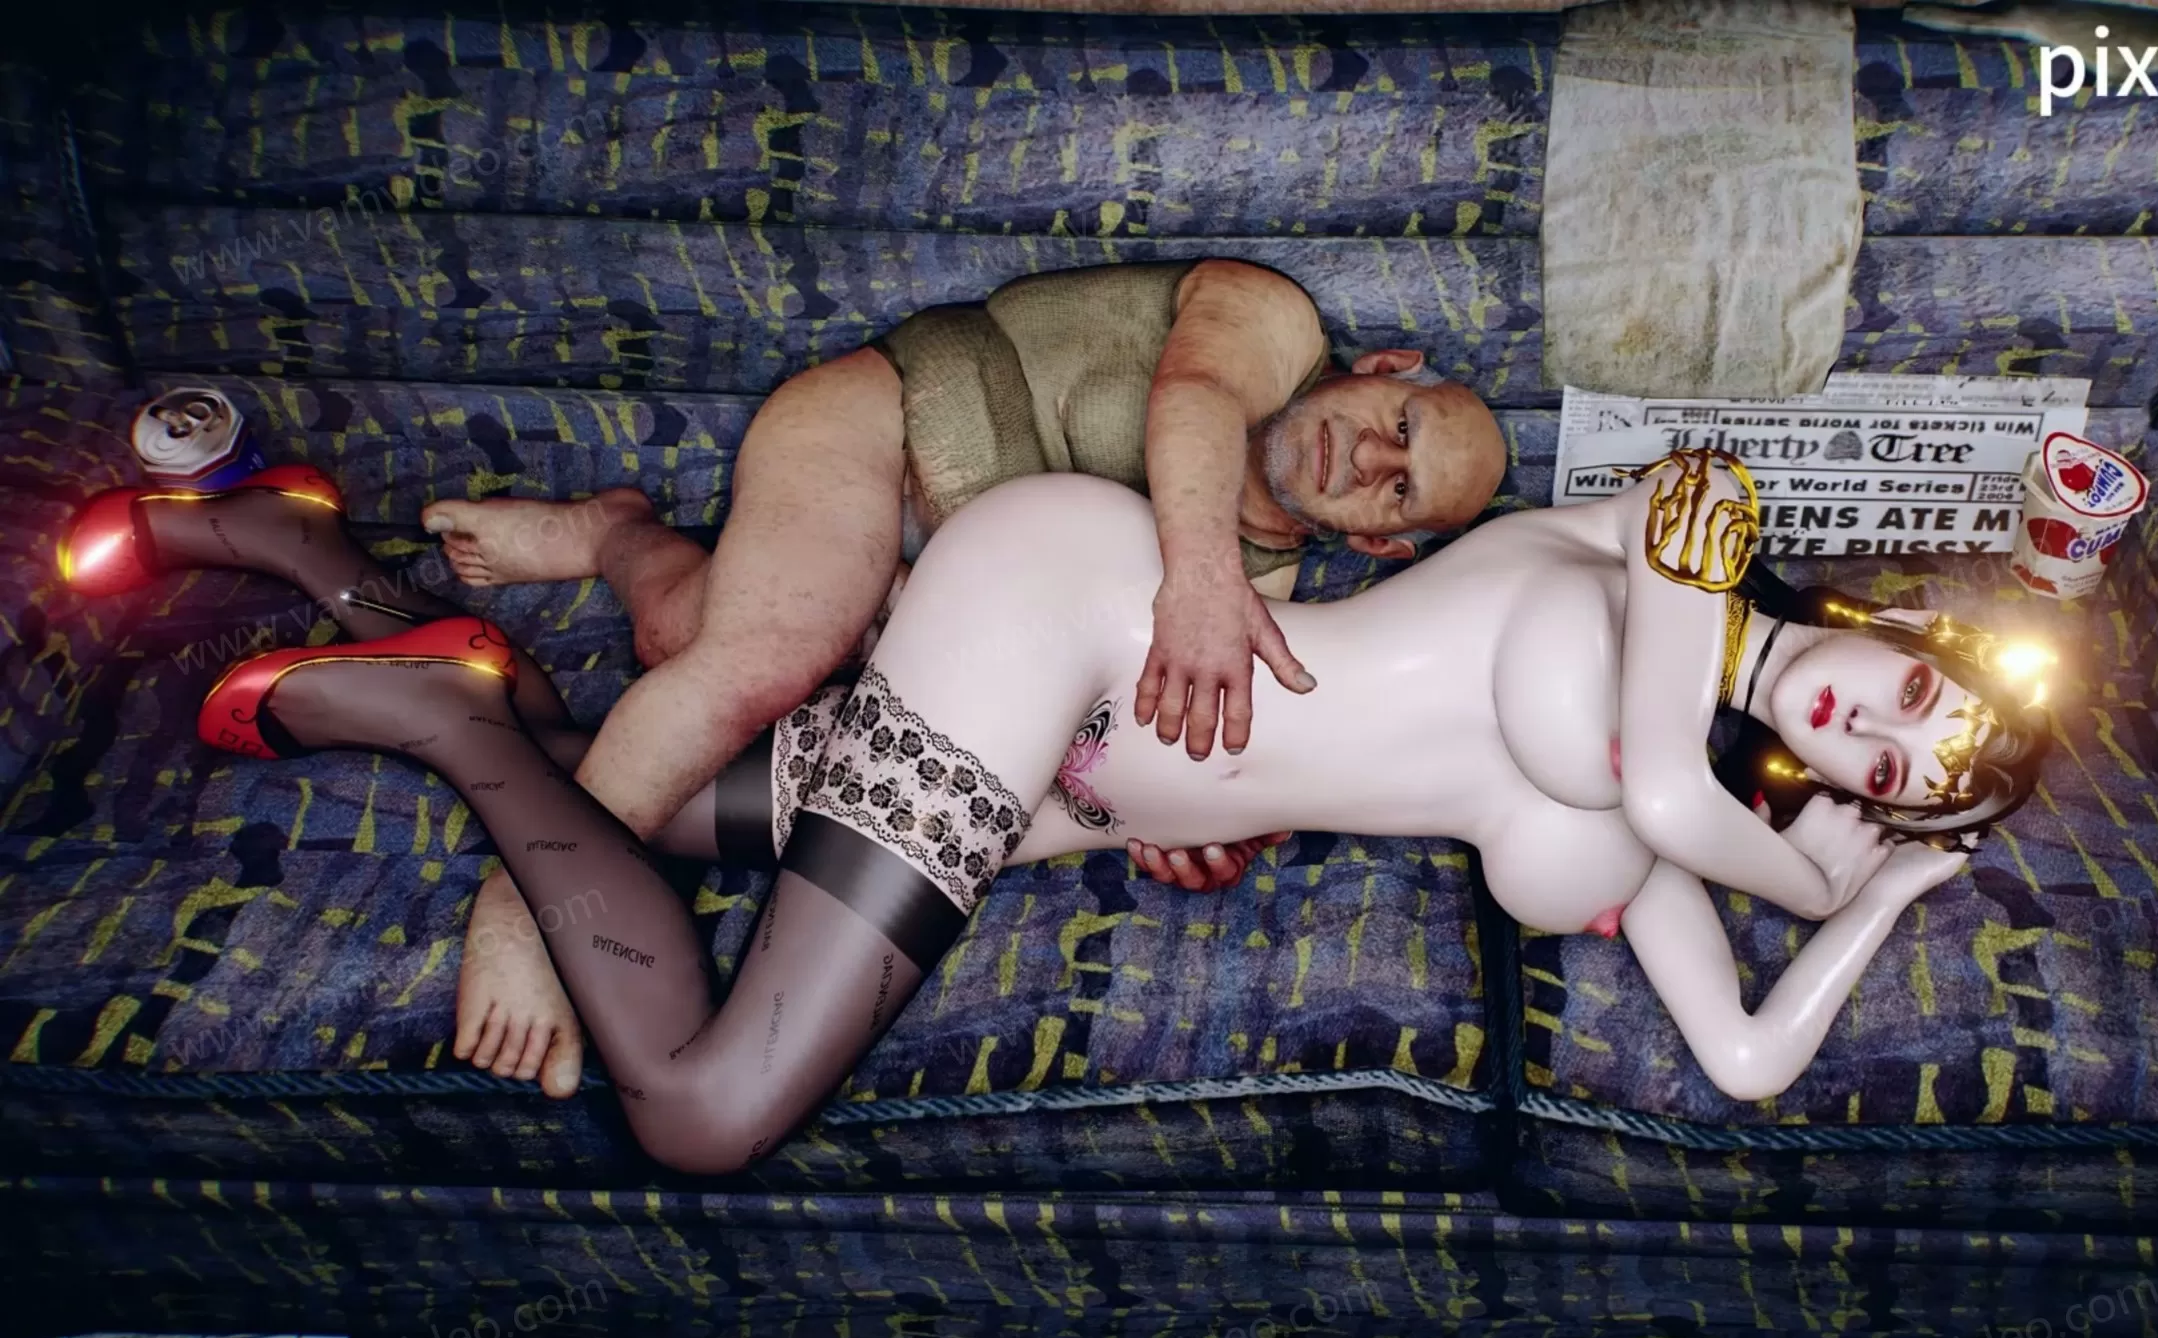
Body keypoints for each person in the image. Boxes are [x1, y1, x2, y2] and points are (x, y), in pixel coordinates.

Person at [189, 447, 2054, 1174]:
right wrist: (1823, 869)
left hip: (1055, 779)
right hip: (1065, 613)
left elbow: (1743, 1062)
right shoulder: (1680, 533)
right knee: (704, 1107)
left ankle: (344, 579)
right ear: (1898, 625)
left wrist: (1886, 899)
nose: (1867, 734)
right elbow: (1651, 770)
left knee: (652, 818)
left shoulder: (1673, 816)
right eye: (1910, 694)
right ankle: (447, 719)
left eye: (1891, 772)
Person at [92, 261, 1512, 1094]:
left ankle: (619, 537)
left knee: (699, 653)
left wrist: (1175, 823)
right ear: (1382, 364)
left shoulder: (1268, 610)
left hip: (921, 602)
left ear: (1381, 548)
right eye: (1400, 417)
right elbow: (1190, 399)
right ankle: (523, 913)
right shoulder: (1270, 321)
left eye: (1400, 488)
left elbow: (1088, 735)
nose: (1369, 456)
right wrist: (1195, 580)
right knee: (766, 657)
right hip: (889, 432)